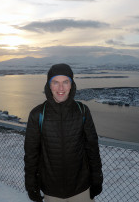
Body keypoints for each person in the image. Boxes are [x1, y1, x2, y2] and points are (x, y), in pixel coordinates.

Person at [24, 63, 103, 202]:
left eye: (65, 82)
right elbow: (31, 154)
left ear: (71, 85)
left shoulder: (82, 111)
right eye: (55, 82)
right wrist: (31, 184)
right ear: (49, 85)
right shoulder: (38, 114)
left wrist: (97, 179)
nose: (61, 88)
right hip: (51, 191)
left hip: (81, 188)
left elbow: (92, 149)